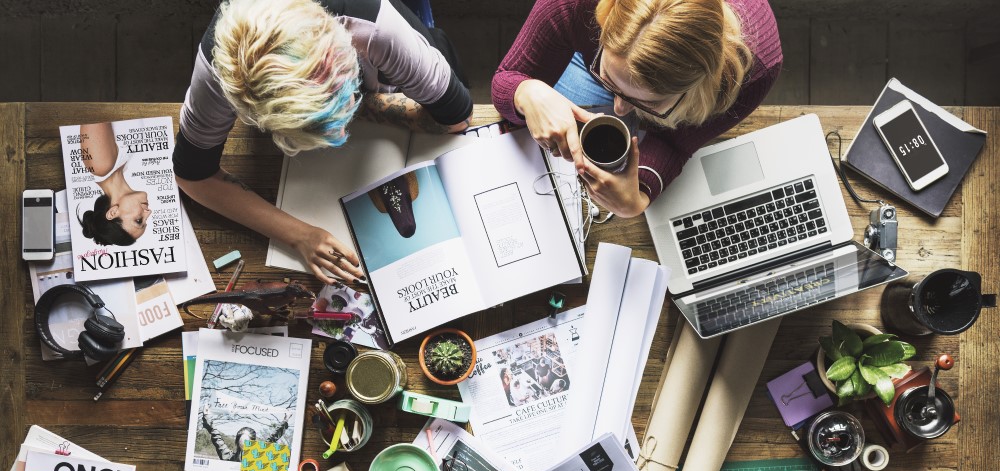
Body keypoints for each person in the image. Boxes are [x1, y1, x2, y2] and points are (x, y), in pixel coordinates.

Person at [175, 0, 473, 285]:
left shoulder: (375, 28)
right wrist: (298, 235)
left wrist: (364, 105)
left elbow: (458, 118)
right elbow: (192, 175)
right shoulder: (221, 70)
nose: (344, 136)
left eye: (347, 101)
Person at [492, 0, 782, 219]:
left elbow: (675, 144)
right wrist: (526, 91)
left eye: (651, 102)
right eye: (609, 81)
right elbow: (507, 78)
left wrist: (638, 196)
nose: (617, 110)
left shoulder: (755, 71)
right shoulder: (575, 6)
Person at [77, 122, 152, 246]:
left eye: (139, 220)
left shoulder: (100, 165)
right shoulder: (122, 165)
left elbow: (92, 108)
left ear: (113, 213)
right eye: (145, 221)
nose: (148, 212)